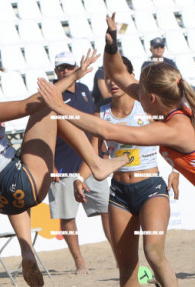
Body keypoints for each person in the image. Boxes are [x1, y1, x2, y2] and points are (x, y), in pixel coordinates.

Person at [37, 14, 195, 287]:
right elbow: (119, 74)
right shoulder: (170, 105)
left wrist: (61, 108)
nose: (134, 93)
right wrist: (112, 44)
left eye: (140, 92)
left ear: (151, 98)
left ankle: (100, 165)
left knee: (154, 254)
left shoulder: (174, 128)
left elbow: (108, 131)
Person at [0, 51, 129, 287]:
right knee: (51, 107)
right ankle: (96, 163)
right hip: (22, 183)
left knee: (12, 178)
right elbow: (30, 104)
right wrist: (75, 75)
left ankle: (27, 252)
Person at [74, 55, 179, 286]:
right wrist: (79, 179)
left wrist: (175, 171)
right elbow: (93, 156)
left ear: (130, 77)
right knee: (126, 266)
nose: (112, 82)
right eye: (107, 78)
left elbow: (175, 140)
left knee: (153, 253)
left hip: (150, 186)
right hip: (119, 193)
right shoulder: (101, 115)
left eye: (116, 77)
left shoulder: (149, 108)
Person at [49, 51, 112, 274]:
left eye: (68, 66)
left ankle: (118, 251)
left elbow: (93, 123)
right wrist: (50, 165)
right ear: (55, 70)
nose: (64, 71)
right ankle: (79, 262)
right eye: (60, 68)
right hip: (62, 165)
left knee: (108, 209)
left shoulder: (85, 90)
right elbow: (43, 130)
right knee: (67, 216)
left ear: (76, 67)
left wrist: (100, 147)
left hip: (90, 164)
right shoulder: (51, 93)